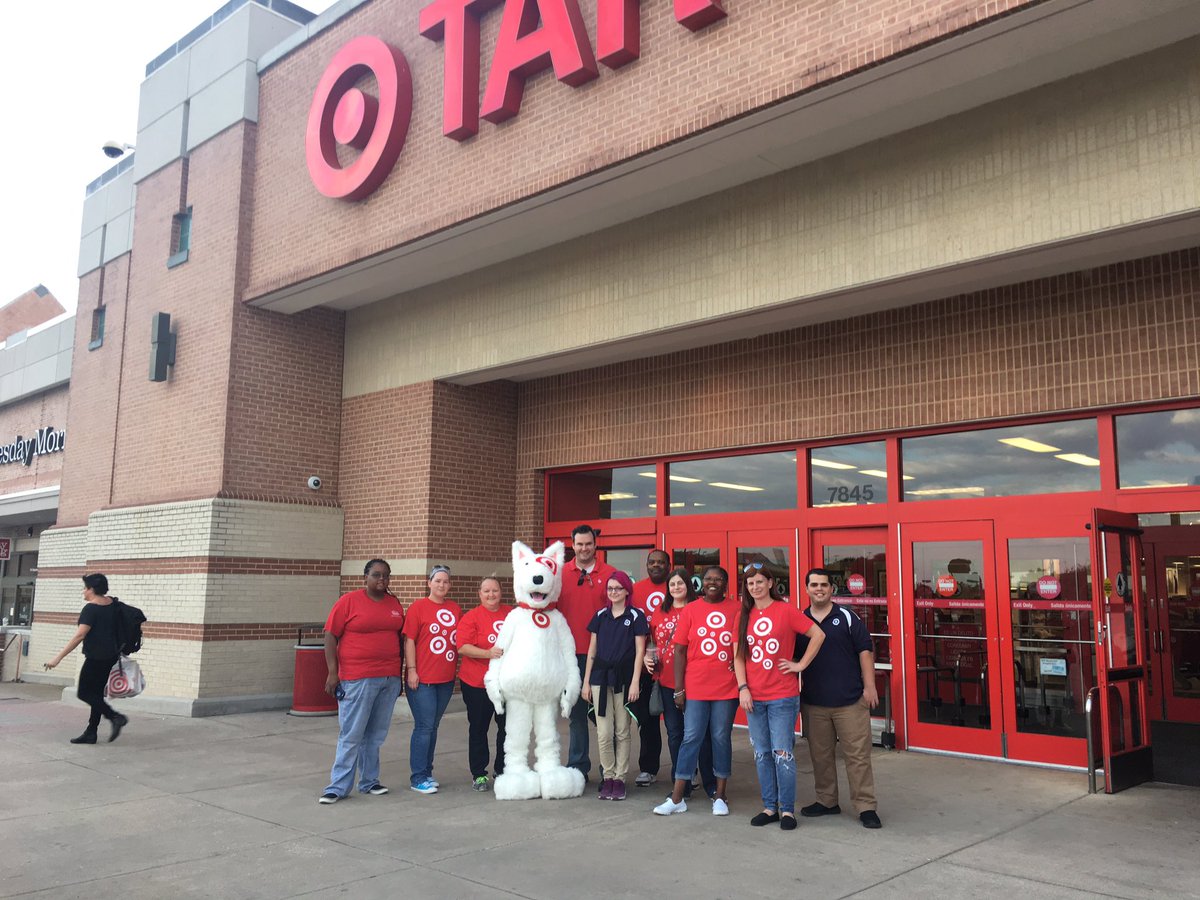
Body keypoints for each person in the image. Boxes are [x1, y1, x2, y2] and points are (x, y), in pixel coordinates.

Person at [733, 562, 826, 830]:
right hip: (753, 696)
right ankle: (769, 807)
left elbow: (818, 634)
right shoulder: (743, 616)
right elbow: (739, 657)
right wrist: (743, 688)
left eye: (760, 582)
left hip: (782, 696)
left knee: (782, 753)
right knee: (761, 754)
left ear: (771, 583)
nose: (755, 587)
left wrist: (800, 665)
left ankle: (787, 810)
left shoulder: (785, 611)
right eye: (750, 584)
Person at [798, 567, 883, 829]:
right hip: (815, 702)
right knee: (820, 756)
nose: (819, 589)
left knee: (857, 756)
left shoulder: (846, 617)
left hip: (850, 701)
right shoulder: (800, 620)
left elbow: (865, 651)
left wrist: (870, 687)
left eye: (824, 585)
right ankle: (826, 801)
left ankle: (865, 806)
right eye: (814, 585)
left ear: (832, 589)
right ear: (807, 589)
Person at [653, 566, 739, 817]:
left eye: (718, 579)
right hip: (696, 686)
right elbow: (680, 651)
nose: (713, 582)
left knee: (720, 737)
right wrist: (679, 689)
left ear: (726, 583)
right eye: (708, 579)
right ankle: (678, 796)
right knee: (691, 738)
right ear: (701, 583)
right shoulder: (691, 609)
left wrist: (739, 657)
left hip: (727, 687)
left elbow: (744, 641)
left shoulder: (737, 609)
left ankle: (720, 795)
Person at [318, 559, 405, 804]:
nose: (382, 580)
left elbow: (398, 639)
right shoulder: (348, 602)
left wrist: (398, 676)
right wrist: (332, 672)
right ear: (365, 577)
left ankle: (369, 781)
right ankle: (338, 786)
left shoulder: (394, 603)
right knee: (352, 734)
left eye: (386, 576)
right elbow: (330, 636)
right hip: (357, 678)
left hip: (388, 678)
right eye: (376, 575)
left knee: (375, 734)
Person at [648, 567, 716, 799]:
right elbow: (652, 641)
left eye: (680, 583)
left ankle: (710, 781)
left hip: (696, 682)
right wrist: (650, 656)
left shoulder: (698, 609)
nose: (676, 588)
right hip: (667, 681)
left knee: (700, 734)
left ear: (689, 585)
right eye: (672, 584)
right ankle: (682, 783)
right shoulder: (661, 611)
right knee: (675, 733)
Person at [582, 570, 649, 800]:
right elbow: (592, 650)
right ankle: (608, 776)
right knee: (604, 732)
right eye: (610, 589)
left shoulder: (636, 616)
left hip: (624, 679)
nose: (613, 592)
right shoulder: (600, 616)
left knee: (622, 731)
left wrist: (635, 682)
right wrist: (586, 682)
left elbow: (640, 651)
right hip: (600, 678)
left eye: (618, 588)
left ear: (626, 590)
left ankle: (620, 779)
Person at [556, 524, 615, 782]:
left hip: (604, 657)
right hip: (569, 657)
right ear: (572, 545)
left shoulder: (611, 574)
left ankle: (610, 770)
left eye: (588, 544)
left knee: (605, 716)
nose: (584, 548)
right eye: (579, 544)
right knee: (577, 716)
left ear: (595, 544)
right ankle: (578, 768)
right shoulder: (559, 574)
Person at [44, 573, 129, 745]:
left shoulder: (91, 609)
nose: (83, 591)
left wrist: (57, 658)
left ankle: (115, 716)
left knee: (84, 692)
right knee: (96, 694)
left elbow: (80, 635)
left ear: (92, 589)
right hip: (110, 656)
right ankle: (91, 732)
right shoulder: (112, 604)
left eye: (85, 588)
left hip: (96, 657)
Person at [404, 564, 462, 794]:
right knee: (424, 726)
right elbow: (409, 641)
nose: (442, 585)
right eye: (437, 580)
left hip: (445, 680)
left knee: (433, 726)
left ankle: (427, 772)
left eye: (446, 581)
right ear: (429, 583)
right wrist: (411, 669)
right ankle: (418, 776)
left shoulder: (455, 608)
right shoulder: (418, 608)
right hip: (423, 679)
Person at [457, 575, 510, 791]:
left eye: (495, 590)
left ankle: (502, 770)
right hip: (477, 684)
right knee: (479, 729)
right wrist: (488, 653)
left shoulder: (511, 614)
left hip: (506, 684)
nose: (491, 595)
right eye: (486, 591)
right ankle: (479, 774)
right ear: (479, 594)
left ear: (501, 592)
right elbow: (462, 647)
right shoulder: (472, 617)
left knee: (506, 729)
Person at [630, 549, 669, 786]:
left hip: (674, 669)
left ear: (668, 565)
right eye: (652, 562)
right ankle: (648, 768)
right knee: (647, 720)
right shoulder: (636, 591)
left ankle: (686, 770)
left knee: (680, 724)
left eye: (661, 562)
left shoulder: (677, 587)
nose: (656, 565)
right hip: (643, 668)